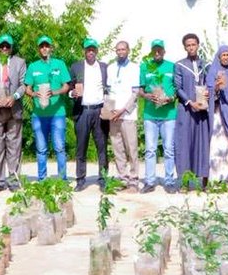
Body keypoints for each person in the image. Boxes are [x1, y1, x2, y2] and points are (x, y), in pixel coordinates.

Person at [24, 35, 70, 183]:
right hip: (39, 114)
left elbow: (66, 85)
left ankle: (62, 180)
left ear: (51, 48)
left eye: (47, 46)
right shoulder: (33, 66)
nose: (44, 48)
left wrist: (55, 92)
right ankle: (42, 180)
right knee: (41, 149)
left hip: (58, 113)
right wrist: (33, 93)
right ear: (39, 49)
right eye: (42, 46)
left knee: (59, 148)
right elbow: (27, 88)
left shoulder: (59, 64)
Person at [0, 34, 26, 192]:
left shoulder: (20, 62)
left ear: (12, 47)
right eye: (2, 46)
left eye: (7, 46)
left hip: (14, 109)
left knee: (14, 146)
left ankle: (13, 180)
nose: (5, 49)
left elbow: (23, 84)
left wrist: (14, 97)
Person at [69, 37, 109, 191]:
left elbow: (110, 88)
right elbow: (69, 88)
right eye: (88, 49)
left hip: (100, 111)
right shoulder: (76, 67)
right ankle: (80, 179)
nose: (90, 52)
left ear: (97, 51)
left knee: (102, 147)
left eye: (93, 49)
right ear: (84, 51)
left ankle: (103, 179)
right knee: (81, 147)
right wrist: (73, 93)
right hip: (83, 111)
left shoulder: (105, 67)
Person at [139, 39, 177, 193]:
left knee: (168, 149)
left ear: (164, 51)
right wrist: (147, 96)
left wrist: (170, 98)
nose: (157, 52)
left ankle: (169, 181)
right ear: (151, 51)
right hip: (150, 114)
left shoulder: (171, 66)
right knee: (150, 149)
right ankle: (149, 181)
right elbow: (140, 90)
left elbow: (177, 89)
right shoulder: (145, 67)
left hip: (169, 114)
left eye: (159, 50)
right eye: (154, 50)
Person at [174, 33, 211, 188]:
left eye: (193, 44)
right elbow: (178, 87)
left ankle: (203, 180)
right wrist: (190, 102)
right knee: (185, 143)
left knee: (202, 143)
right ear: (185, 47)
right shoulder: (180, 65)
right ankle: (184, 181)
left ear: (198, 45)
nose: (191, 47)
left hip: (202, 112)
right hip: (187, 110)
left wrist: (209, 92)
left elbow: (210, 83)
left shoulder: (205, 64)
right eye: (188, 45)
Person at [106, 40, 141, 191]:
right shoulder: (111, 68)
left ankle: (133, 180)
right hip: (113, 115)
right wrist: (110, 111)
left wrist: (122, 110)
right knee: (117, 148)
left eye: (123, 49)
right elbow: (108, 91)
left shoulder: (135, 68)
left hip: (128, 114)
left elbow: (136, 93)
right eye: (118, 50)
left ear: (128, 50)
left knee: (131, 148)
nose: (120, 52)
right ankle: (122, 178)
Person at [206, 45, 228, 185]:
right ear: (219, 57)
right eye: (223, 55)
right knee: (218, 147)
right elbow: (208, 93)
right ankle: (216, 179)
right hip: (219, 115)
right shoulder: (213, 71)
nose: (226, 57)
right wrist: (216, 87)